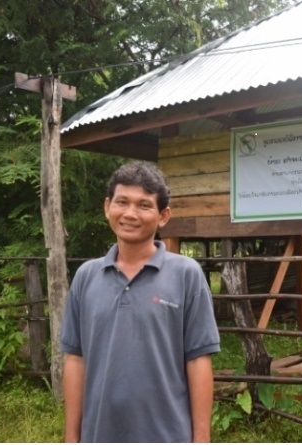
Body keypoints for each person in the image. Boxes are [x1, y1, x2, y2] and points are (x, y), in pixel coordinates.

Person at [60, 161, 220, 442]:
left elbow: (198, 360)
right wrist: (72, 438)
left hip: (168, 434)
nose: (130, 213)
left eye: (144, 205)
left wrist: (202, 439)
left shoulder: (186, 274)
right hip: (99, 434)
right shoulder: (86, 277)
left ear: (163, 216)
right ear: (107, 206)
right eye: (122, 202)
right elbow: (76, 359)